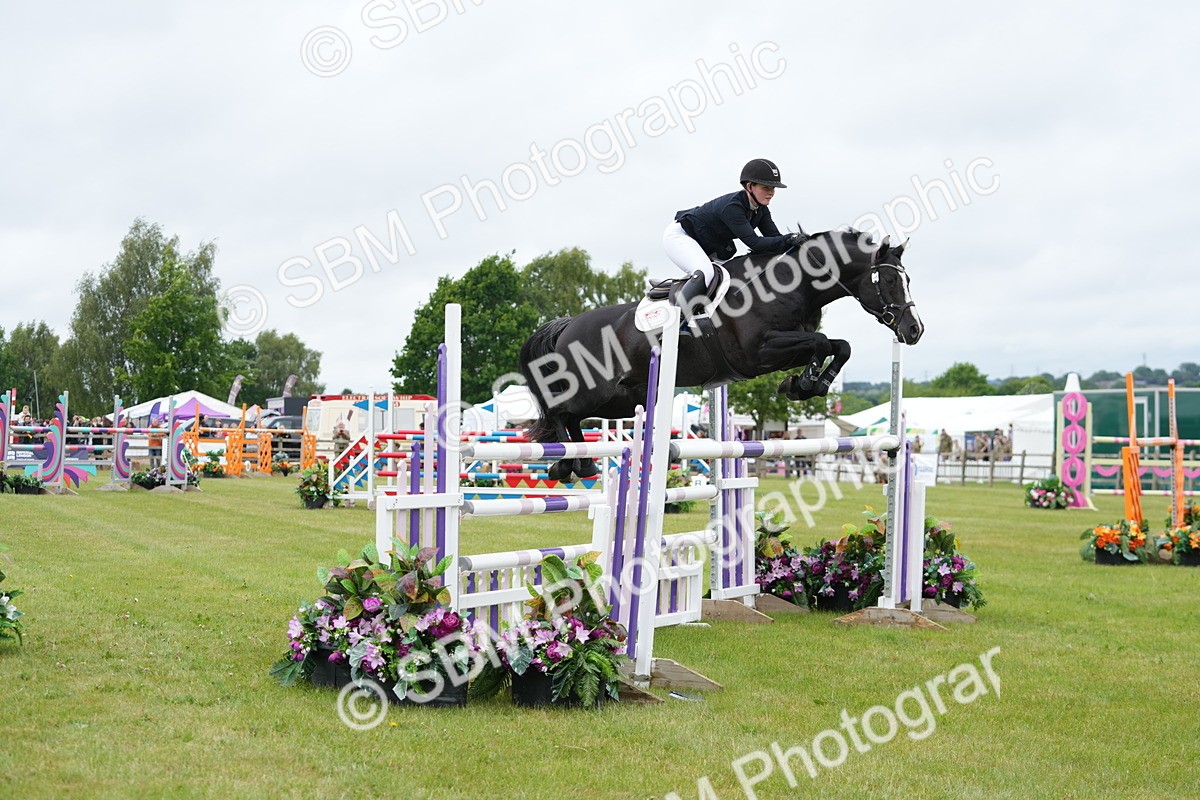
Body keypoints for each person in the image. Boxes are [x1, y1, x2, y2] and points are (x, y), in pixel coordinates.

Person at [664, 158, 806, 309]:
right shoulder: (733, 207)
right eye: (766, 187)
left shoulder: (761, 209)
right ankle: (676, 321)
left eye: (773, 188)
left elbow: (775, 239)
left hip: (706, 243)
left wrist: (799, 246)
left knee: (731, 277)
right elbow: (755, 243)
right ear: (750, 186)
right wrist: (789, 239)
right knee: (706, 273)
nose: (771, 193)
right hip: (681, 236)